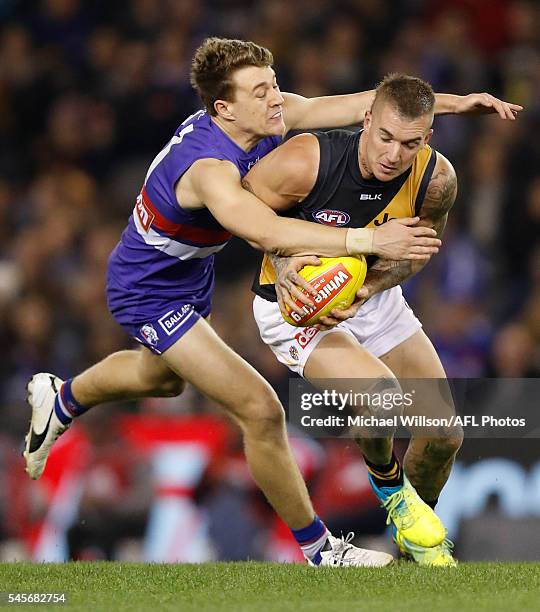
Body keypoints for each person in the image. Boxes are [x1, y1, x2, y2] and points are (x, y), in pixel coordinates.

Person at [24, 37, 521, 567]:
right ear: (225, 109)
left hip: (194, 274)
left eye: (274, 83)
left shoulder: (266, 119)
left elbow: (358, 105)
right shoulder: (209, 171)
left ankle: (62, 398)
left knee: (160, 379)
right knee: (260, 410)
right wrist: (370, 243)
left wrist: (456, 101)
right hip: (150, 288)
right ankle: (321, 551)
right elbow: (263, 230)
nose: (277, 97)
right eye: (261, 91)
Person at [249, 73, 499, 566]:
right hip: (295, 306)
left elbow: (416, 253)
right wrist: (280, 266)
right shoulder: (307, 160)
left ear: (426, 139)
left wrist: (366, 289)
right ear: (367, 120)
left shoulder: (436, 180)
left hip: (372, 298)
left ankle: (409, 559)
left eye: (409, 143)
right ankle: (393, 493)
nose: (392, 154)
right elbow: (240, 207)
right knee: (382, 399)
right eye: (384, 137)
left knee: (444, 433)